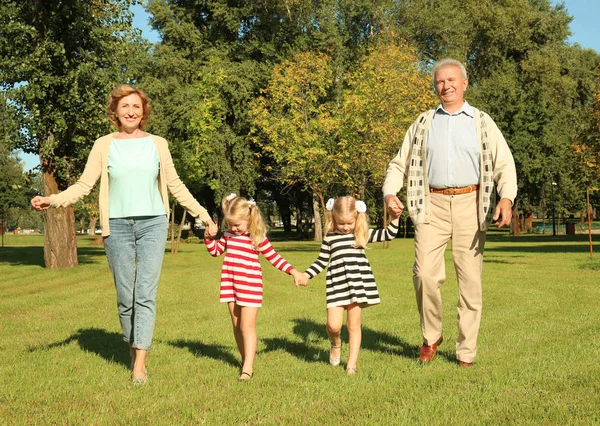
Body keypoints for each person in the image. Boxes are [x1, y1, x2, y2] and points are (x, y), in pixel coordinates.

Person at [30, 85, 218, 385]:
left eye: (136, 106)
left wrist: (204, 214)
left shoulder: (159, 144)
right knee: (125, 297)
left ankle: (139, 363)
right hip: (116, 226)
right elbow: (83, 186)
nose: (131, 111)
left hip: (153, 224)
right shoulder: (103, 145)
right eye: (125, 106)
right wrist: (51, 200)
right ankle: (133, 348)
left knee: (145, 293)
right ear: (115, 112)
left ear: (144, 112)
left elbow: (175, 185)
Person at [382, 58, 517, 367]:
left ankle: (466, 352)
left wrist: (506, 198)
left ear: (465, 83)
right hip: (431, 205)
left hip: (472, 205)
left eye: (452, 80)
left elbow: (504, 164)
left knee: (470, 283)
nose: (446, 86)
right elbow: (398, 164)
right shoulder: (422, 123)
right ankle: (431, 336)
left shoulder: (482, 122)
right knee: (425, 275)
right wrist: (390, 192)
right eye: (440, 81)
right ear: (435, 87)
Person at [204, 193, 307, 381]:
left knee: (246, 326)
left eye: (237, 225)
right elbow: (215, 252)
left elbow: (274, 258)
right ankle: (245, 359)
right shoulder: (228, 235)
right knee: (236, 326)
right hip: (230, 284)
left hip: (250, 286)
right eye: (230, 225)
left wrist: (294, 272)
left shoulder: (256, 238)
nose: (233, 229)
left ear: (249, 218)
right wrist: (209, 238)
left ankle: (248, 367)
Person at [302, 196, 400, 375]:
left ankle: (351, 364)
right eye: (341, 223)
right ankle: (336, 343)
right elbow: (321, 261)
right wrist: (306, 274)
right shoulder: (330, 238)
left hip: (357, 285)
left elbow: (389, 234)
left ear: (357, 218)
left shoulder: (361, 234)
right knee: (333, 325)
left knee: (353, 325)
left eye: (350, 223)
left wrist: (395, 218)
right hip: (336, 285)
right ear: (333, 219)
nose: (346, 227)